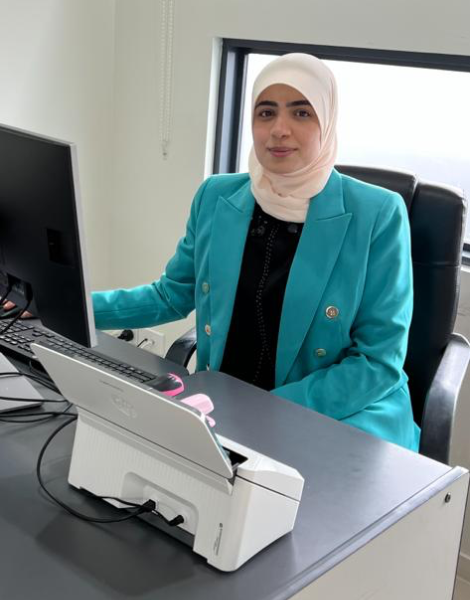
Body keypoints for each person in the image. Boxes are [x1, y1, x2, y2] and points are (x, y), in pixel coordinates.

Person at [92, 53, 420, 451]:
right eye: (266, 113)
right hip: (226, 405)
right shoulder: (216, 195)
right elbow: (170, 295)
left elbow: (377, 364)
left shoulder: (378, 214)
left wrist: (261, 412)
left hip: (334, 414)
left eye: (301, 113)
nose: (279, 130)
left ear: (327, 123)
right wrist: (66, 302)